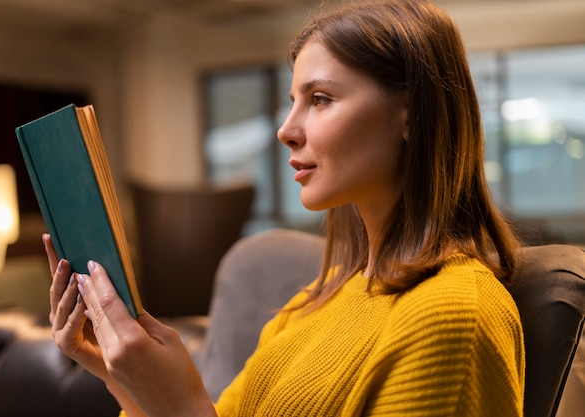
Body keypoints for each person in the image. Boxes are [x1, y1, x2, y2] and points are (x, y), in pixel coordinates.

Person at [45, 0, 525, 415]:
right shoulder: (313, 302)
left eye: (320, 99)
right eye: (293, 100)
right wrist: (116, 371)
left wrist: (182, 407)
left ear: (411, 116)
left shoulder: (454, 315)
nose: (286, 129)